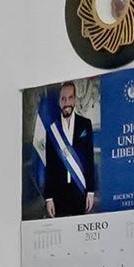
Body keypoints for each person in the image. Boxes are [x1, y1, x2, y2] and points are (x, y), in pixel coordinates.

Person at [38, 81, 99, 218]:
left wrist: (90, 191)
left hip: (80, 191)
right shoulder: (52, 130)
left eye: (70, 97)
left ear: (75, 99)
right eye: (63, 99)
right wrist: (49, 198)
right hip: (59, 195)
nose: (67, 103)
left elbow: (89, 158)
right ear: (59, 101)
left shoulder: (85, 124)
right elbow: (50, 167)